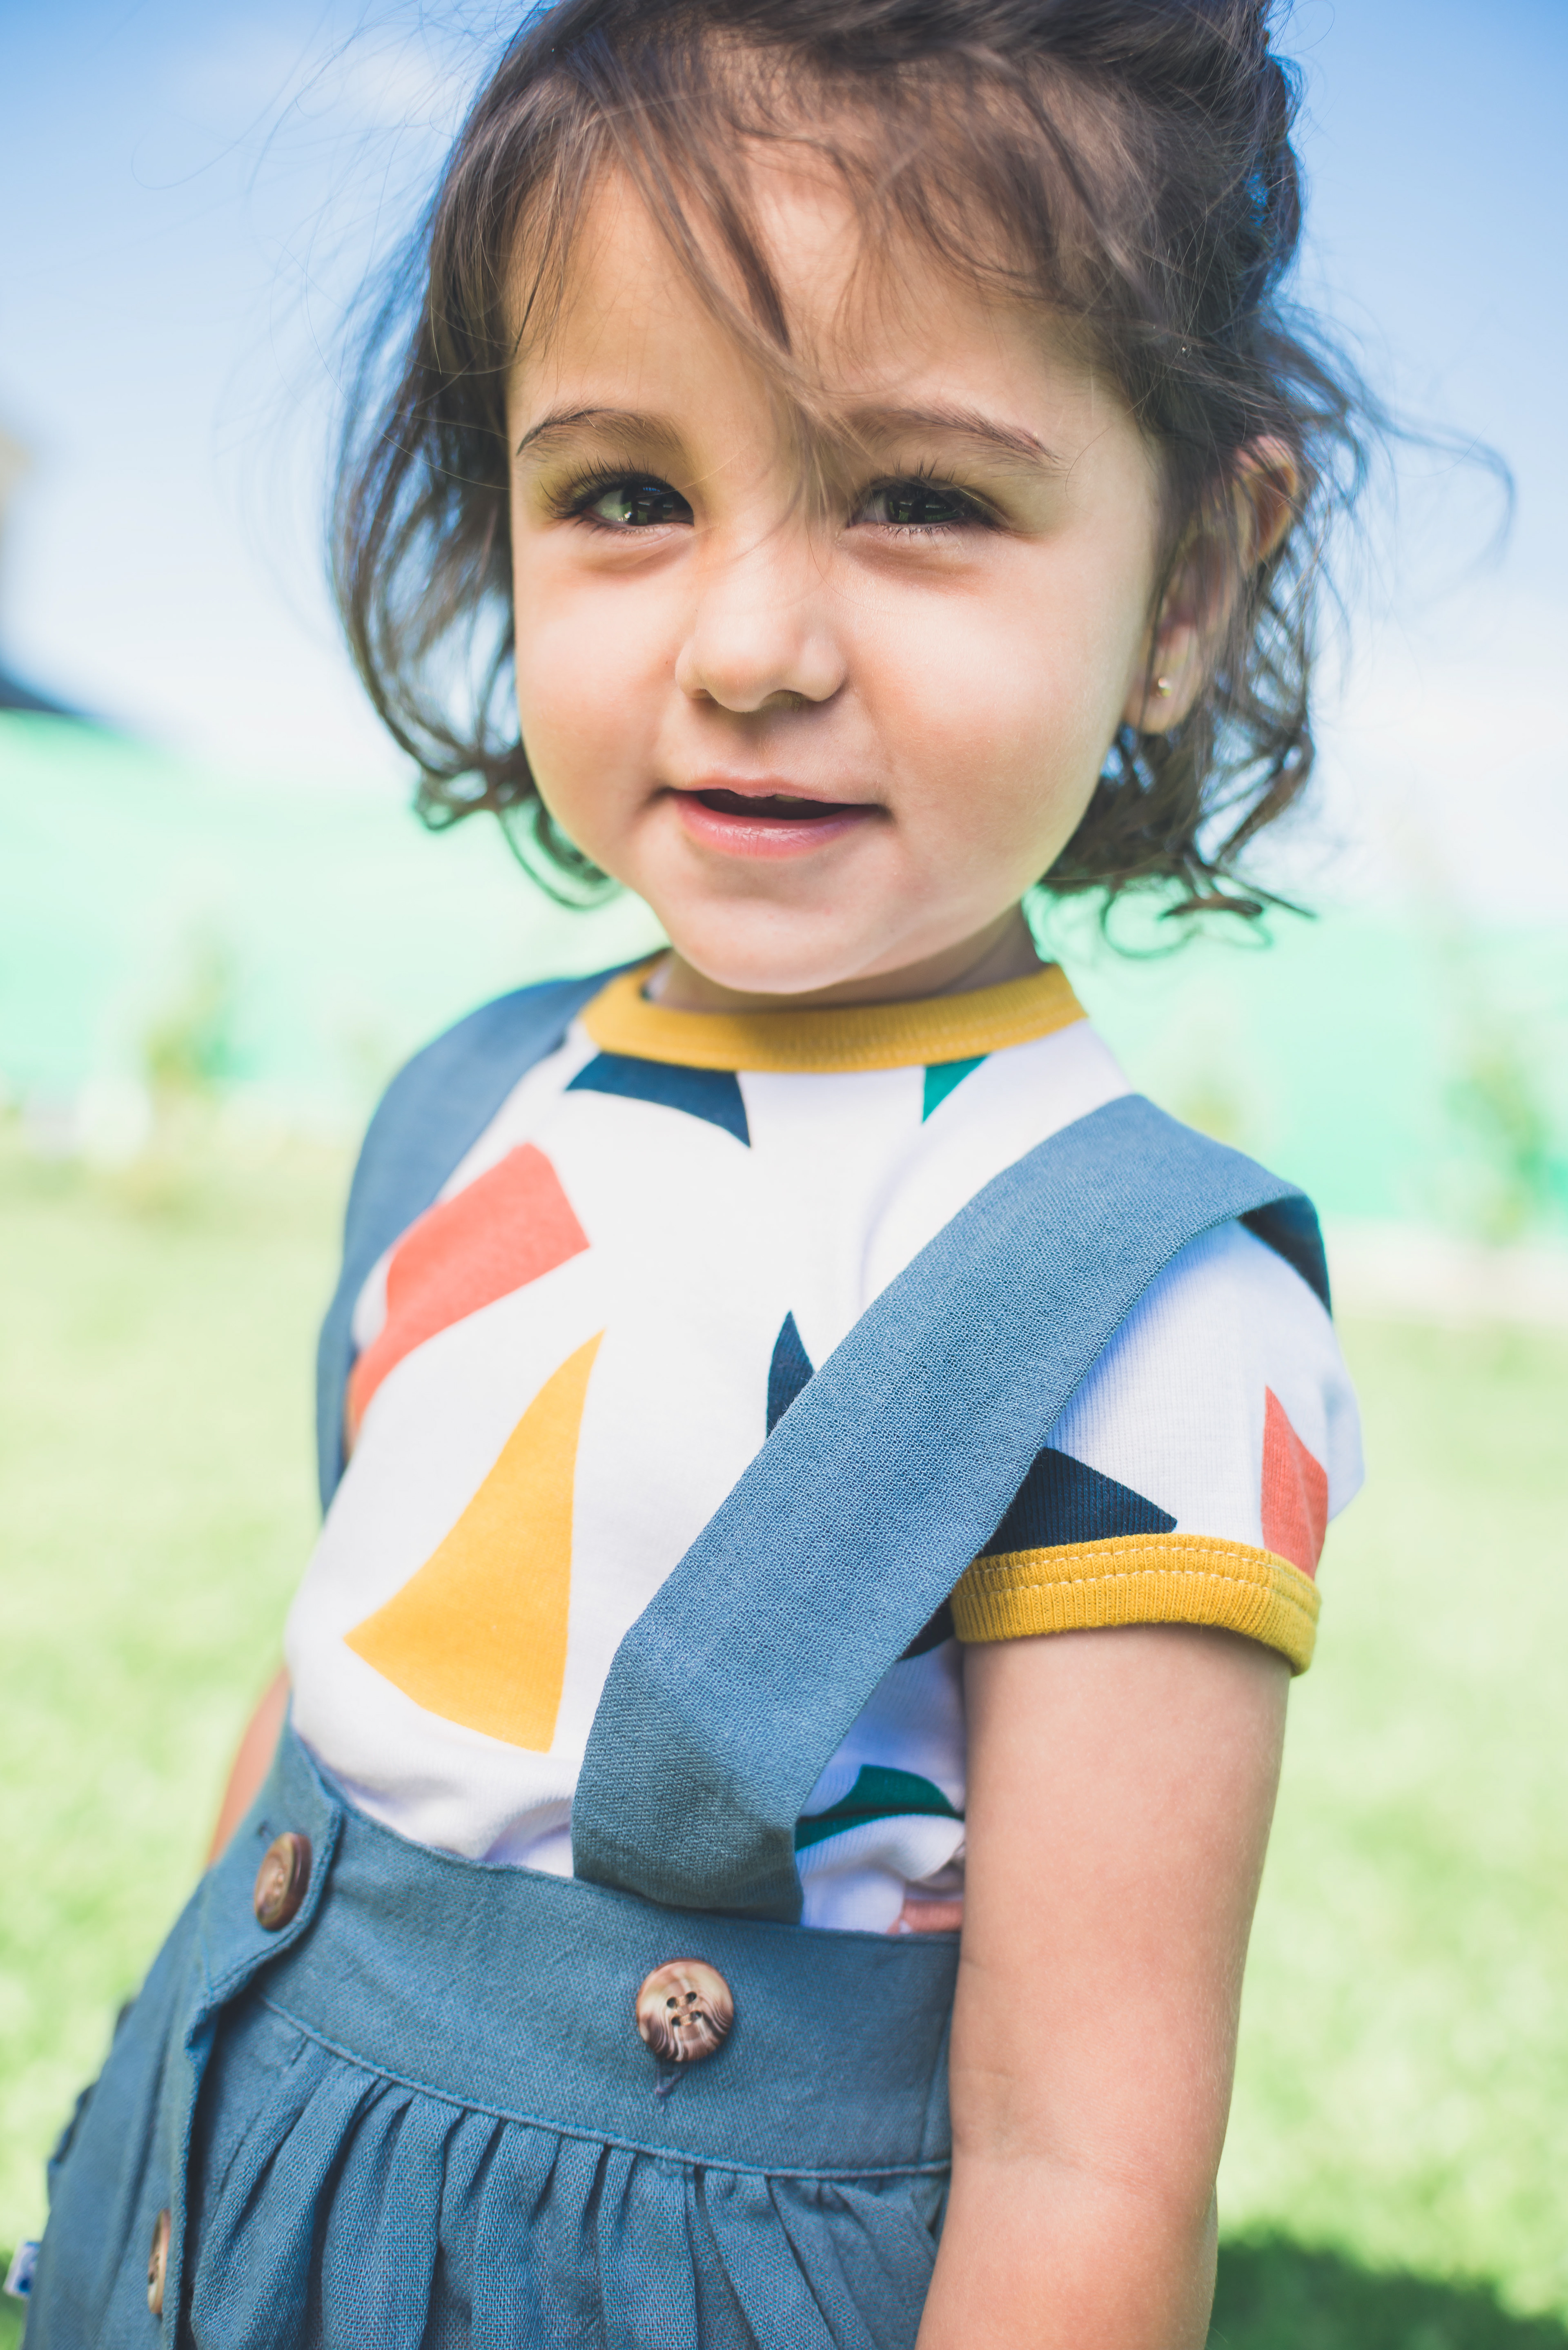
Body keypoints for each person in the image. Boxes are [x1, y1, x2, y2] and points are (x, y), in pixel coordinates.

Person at [27, 2, 1369, 2342]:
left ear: (1188, 588)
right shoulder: (472, 1099)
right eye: (625, 495)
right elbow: (333, 1704)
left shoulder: (1144, 1305)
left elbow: (1084, 2166)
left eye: (923, 498)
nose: (750, 646)